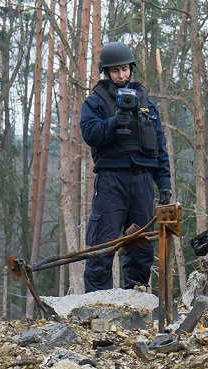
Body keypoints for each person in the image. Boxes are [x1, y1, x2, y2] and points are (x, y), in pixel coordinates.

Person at [80, 41, 171, 293]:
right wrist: (112, 123)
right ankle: (97, 306)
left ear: (131, 69)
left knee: (141, 247)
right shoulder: (95, 102)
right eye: (115, 71)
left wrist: (164, 184)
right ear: (106, 73)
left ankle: (137, 301)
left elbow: (160, 148)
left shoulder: (147, 104)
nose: (121, 75)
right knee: (102, 246)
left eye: (124, 70)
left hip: (142, 181)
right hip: (111, 181)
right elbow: (89, 133)